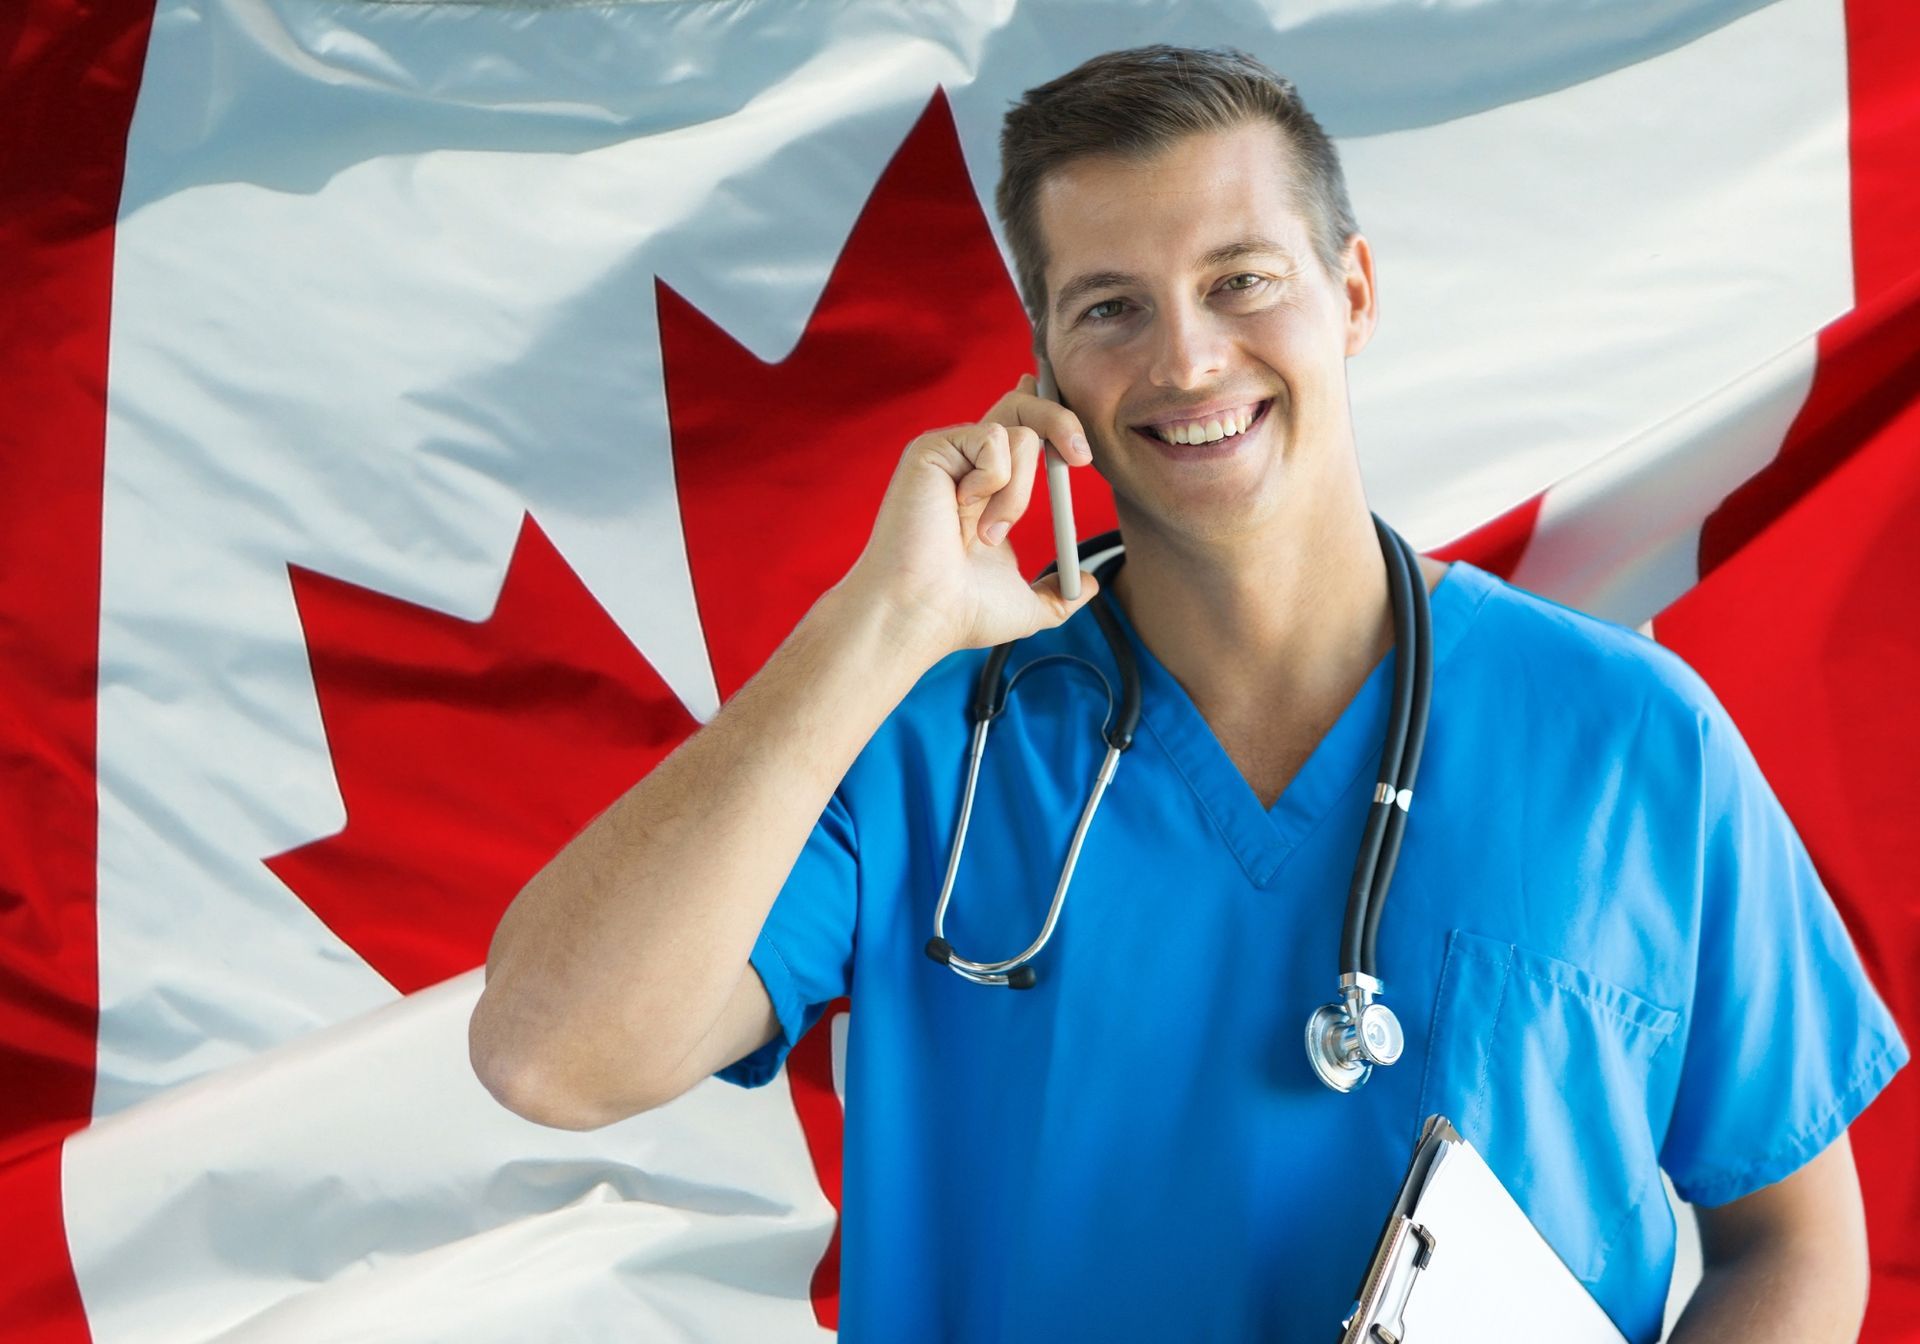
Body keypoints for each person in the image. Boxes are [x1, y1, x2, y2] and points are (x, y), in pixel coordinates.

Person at [469, 45, 1907, 1343]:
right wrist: (880, 620)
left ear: (1350, 293)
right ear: (1046, 373)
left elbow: (1789, 1243)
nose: (1188, 358)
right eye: (1111, 308)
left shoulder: (1630, 738)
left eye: (1240, 278)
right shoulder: (928, 737)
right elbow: (548, 1055)